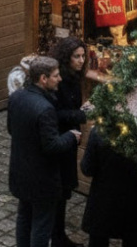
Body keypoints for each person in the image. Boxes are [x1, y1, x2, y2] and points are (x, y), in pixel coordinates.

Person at [8, 55, 81, 247]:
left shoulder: (16, 97)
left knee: (24, 216)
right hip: (42, 179)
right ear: (43, 79)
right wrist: (71, 136)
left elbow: (11, 129)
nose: (60, 79)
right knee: (42, 224)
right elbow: (52, 146)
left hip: (20, 171)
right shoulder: (45, 108)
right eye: (56, 76)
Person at [80, 126, 137, 247]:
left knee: (98, 240)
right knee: (133, 240)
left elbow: (87, 169)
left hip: (103, 203)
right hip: (134, 204)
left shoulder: (98, 132)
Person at [49, 38, 93, 247]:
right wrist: (81, 115)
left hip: (70, 140)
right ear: (66, 58)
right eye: (77, 56)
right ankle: (57, 236)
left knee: (64, 189)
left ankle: (58, 234)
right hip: (62, 140)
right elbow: (56, 113)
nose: (81, 60)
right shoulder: (60, 81)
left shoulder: (74, 78)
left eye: (83, 56)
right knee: (60, 189)